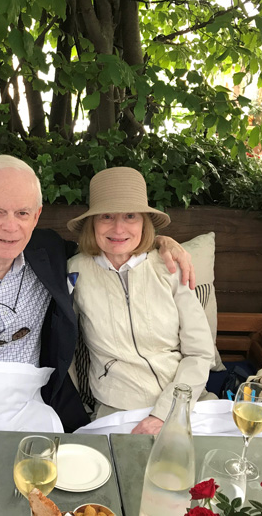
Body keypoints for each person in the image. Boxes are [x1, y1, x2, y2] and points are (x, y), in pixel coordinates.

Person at [0, 155, 195, 433]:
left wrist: (161, 243)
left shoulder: (50, 253)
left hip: (28, 408)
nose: (11, 227)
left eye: (22, 213)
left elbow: (113, 243)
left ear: (37, 215)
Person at [67, 167, 216, 435]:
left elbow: (200, 352)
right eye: (107, 216)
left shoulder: (169, 266)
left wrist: (165, 412)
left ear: (144, 222)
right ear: (92, 223)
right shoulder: (75, 271)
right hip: (117, 408)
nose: (118, 228)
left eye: (130, 216)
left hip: (187, 401)